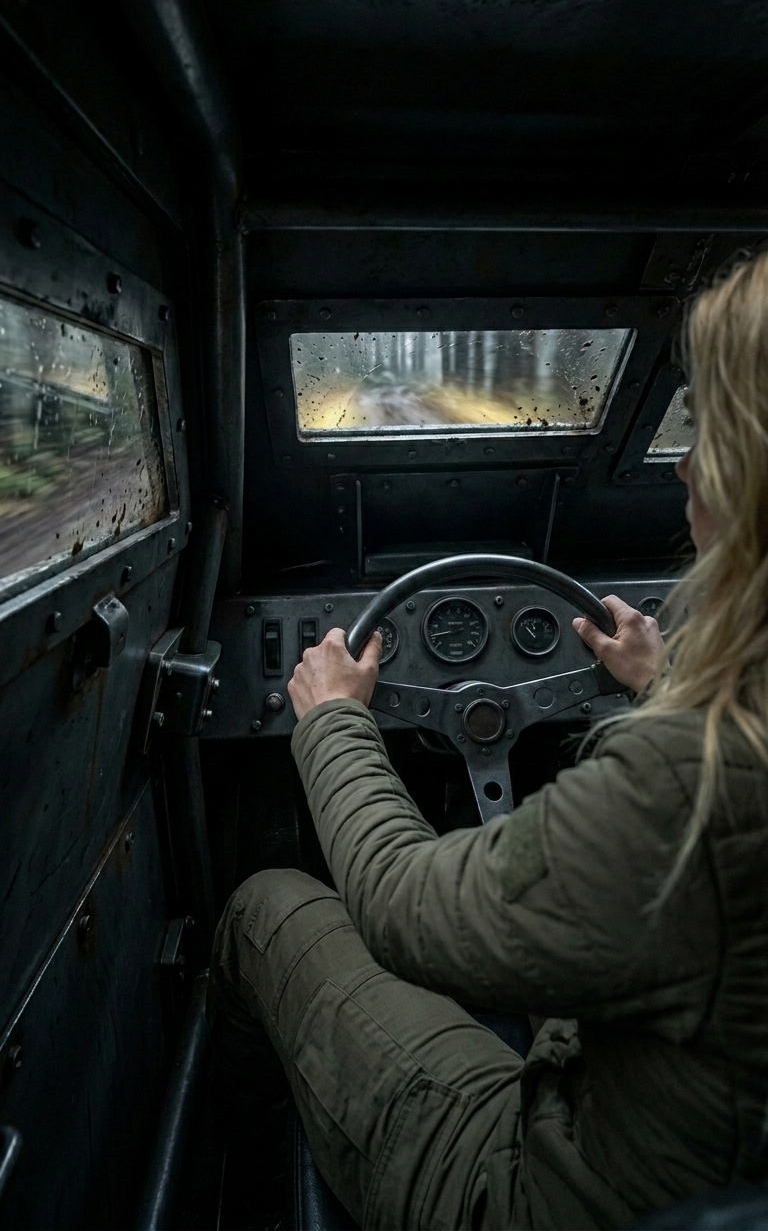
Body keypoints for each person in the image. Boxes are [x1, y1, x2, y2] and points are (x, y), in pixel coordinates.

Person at [208, 254, 768, 1230]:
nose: (681, 464)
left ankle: (235, 1172)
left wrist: (334, 718)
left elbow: (400, 905)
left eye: (707, 434)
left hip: (555, 1193)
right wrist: (664, 681)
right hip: (704, 1146)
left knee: (267, 903)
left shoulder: (687, 784)